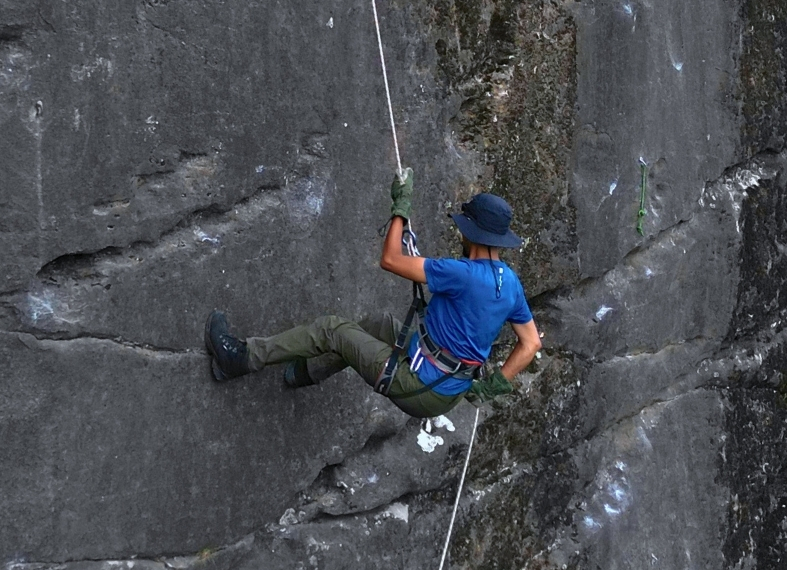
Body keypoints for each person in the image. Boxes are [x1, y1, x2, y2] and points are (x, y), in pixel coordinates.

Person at [204, 171, 541, 419]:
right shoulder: (510, 283)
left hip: (418, 385)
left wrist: (400, 208)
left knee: (332, 330)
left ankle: (241, 359)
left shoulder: (462, 273)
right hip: (446, 387)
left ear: (471, 232)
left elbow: (391, 259)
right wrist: (493, 385)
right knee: (378, 325)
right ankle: (302, 373)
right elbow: (530, 344)